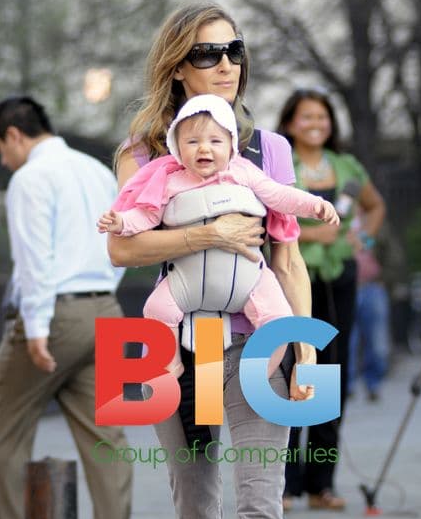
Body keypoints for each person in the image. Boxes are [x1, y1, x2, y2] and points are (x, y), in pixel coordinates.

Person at [108, 3, 316, 519]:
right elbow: (123, 247)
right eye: (207, 53)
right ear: (177, 66)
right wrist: (213, 231)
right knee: (196, 510)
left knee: (263, 504)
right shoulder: (141, 153)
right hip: (178, 346)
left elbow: (288, 258)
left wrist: (305, 348)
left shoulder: (269, 150)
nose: (226, 63)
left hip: (262, 342)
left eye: (234, 50)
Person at [0, 97, 134, 519]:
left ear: (14, 135)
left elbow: (35, 260)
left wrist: (36, 328)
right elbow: (121, 242)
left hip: (55, 314)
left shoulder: (31, 178)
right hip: (105, 308)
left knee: (7, 417)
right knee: (106, 433)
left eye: (1, 148)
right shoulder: (96, 171)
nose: (3, 160)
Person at [99, 93, 338, 378]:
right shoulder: (170, 181)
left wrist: (315, 205)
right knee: (156, 309)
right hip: (186, 283)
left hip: (249, 279)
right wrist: (121, 222)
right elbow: (145, 215)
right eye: (192, 142)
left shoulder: (245, 172)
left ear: (231, 146)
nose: (204, 149)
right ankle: (169, 364)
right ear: (177, 148)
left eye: (215, 141)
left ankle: (260, 373)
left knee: (277, 319)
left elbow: (280, 196)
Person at [276, 88, 386, 511]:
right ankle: (286, 484)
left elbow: (374, 206)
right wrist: (309, 235)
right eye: (306, 117)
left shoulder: (346, 167)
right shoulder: (280, 166)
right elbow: (267, 219)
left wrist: (363, 239)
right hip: (293, 278)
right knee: (292, 372)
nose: (315, 124)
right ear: (290, 123)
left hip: (339, 278)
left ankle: (322, 484)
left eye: (322, 117)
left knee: (330, 376)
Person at [347, 227, 390, 402]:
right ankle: (347, 386)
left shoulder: (373, 220)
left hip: (372, 286)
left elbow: (387, 249)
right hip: (345, 287)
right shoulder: (332, 215)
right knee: (348, 340)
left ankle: (374, 384)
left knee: (377, 341)